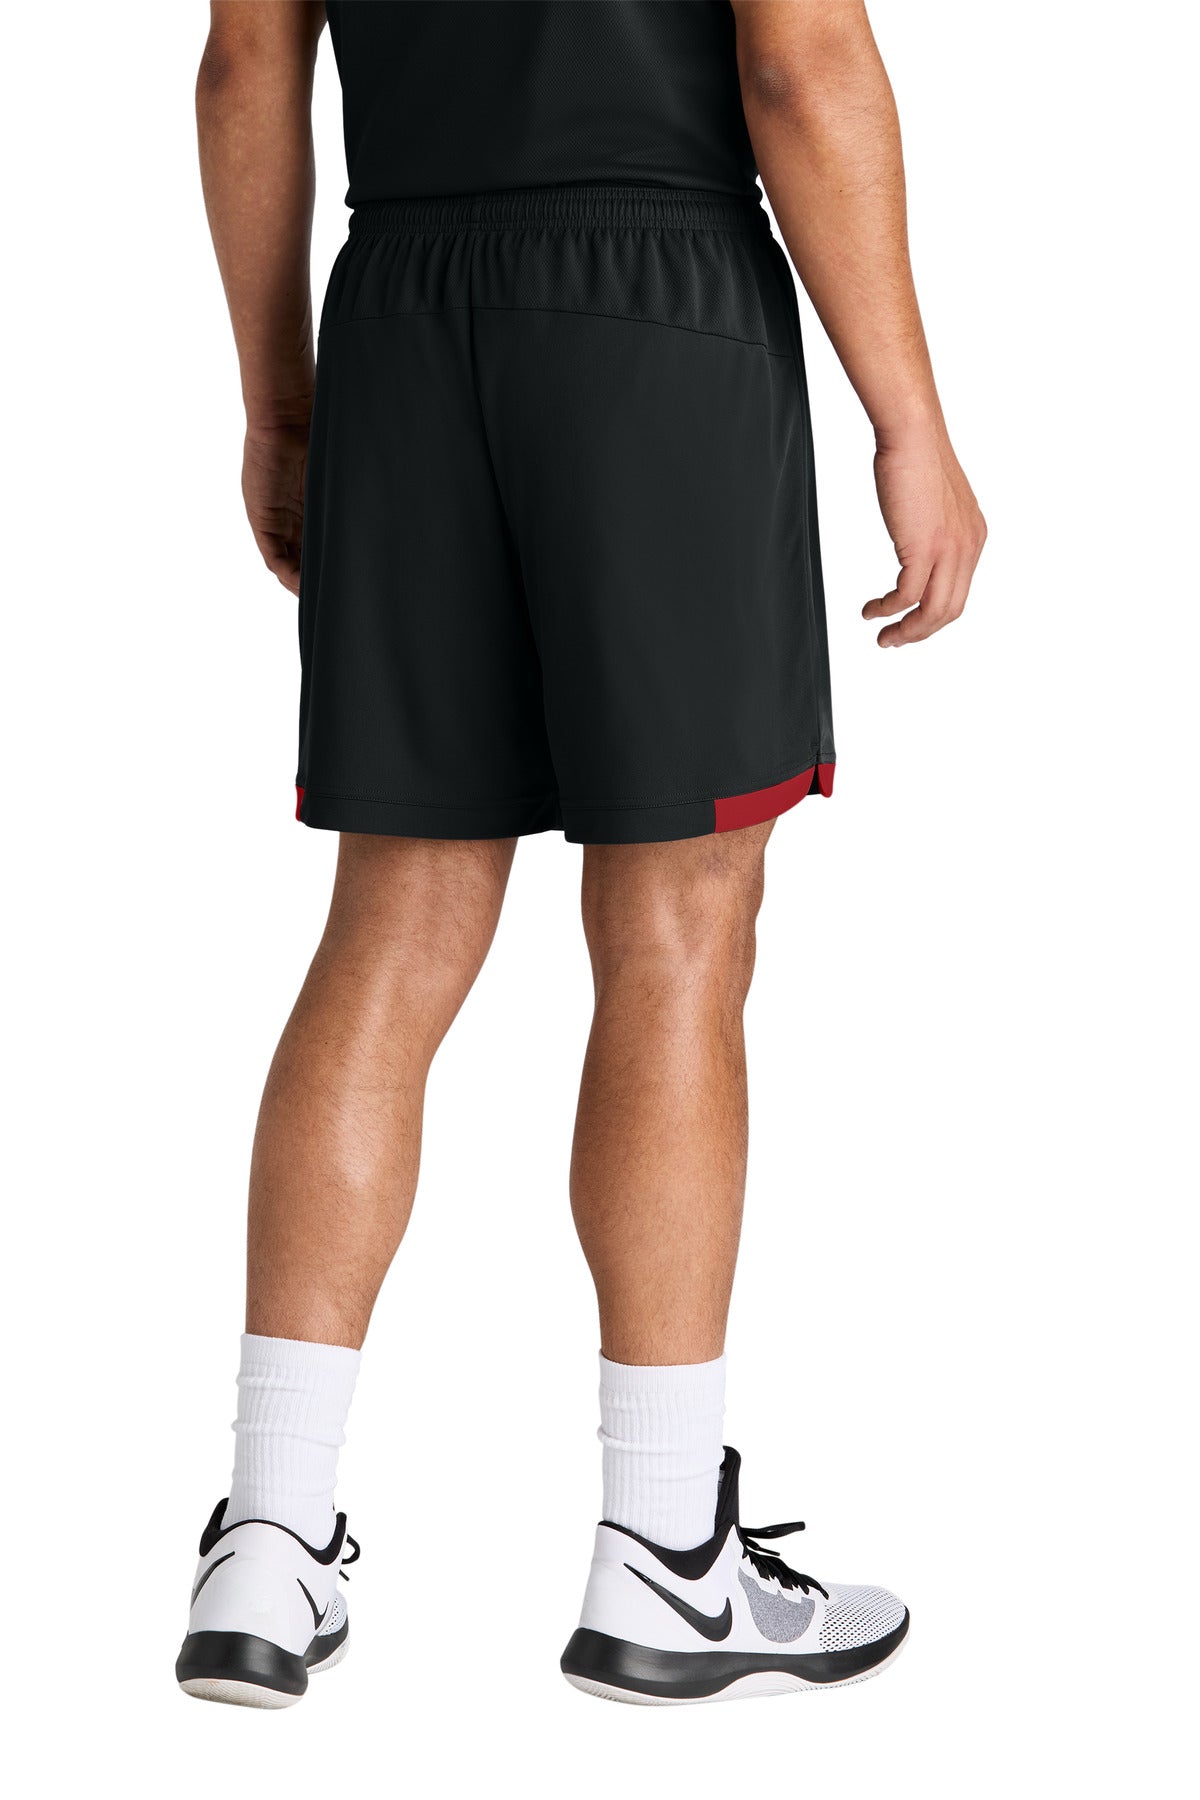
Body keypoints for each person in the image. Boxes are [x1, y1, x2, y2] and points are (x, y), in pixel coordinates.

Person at [178, 0, 985, 1709]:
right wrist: (908, 414)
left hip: (402, 307)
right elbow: (799, 63)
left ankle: (267, 1537)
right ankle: (665, 1552)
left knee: (394, 921)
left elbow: (248, 64)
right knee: (678, 933)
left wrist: (281, 404)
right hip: (654, 300)